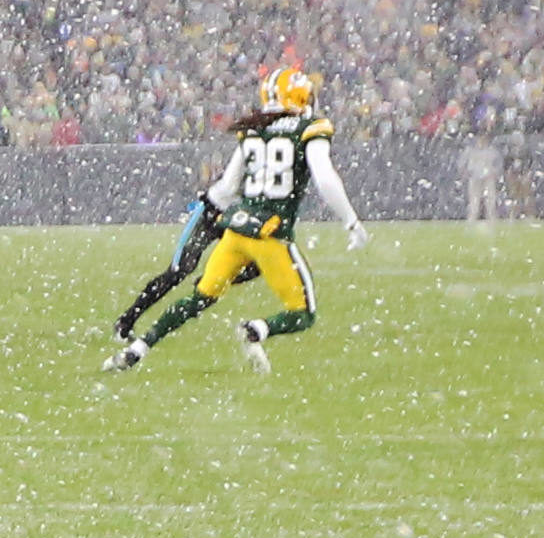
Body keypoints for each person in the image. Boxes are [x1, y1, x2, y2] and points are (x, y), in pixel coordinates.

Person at [109, 65, 365, 374]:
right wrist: (350, 220)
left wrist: (204, 212)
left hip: (235, 230)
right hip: (270, 235)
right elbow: (325, 179)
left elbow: (226, 189)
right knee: (303, 314)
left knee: (199, 298)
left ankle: (139, 347)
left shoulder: (254, 129)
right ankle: (256, 330)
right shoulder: (310, 128)